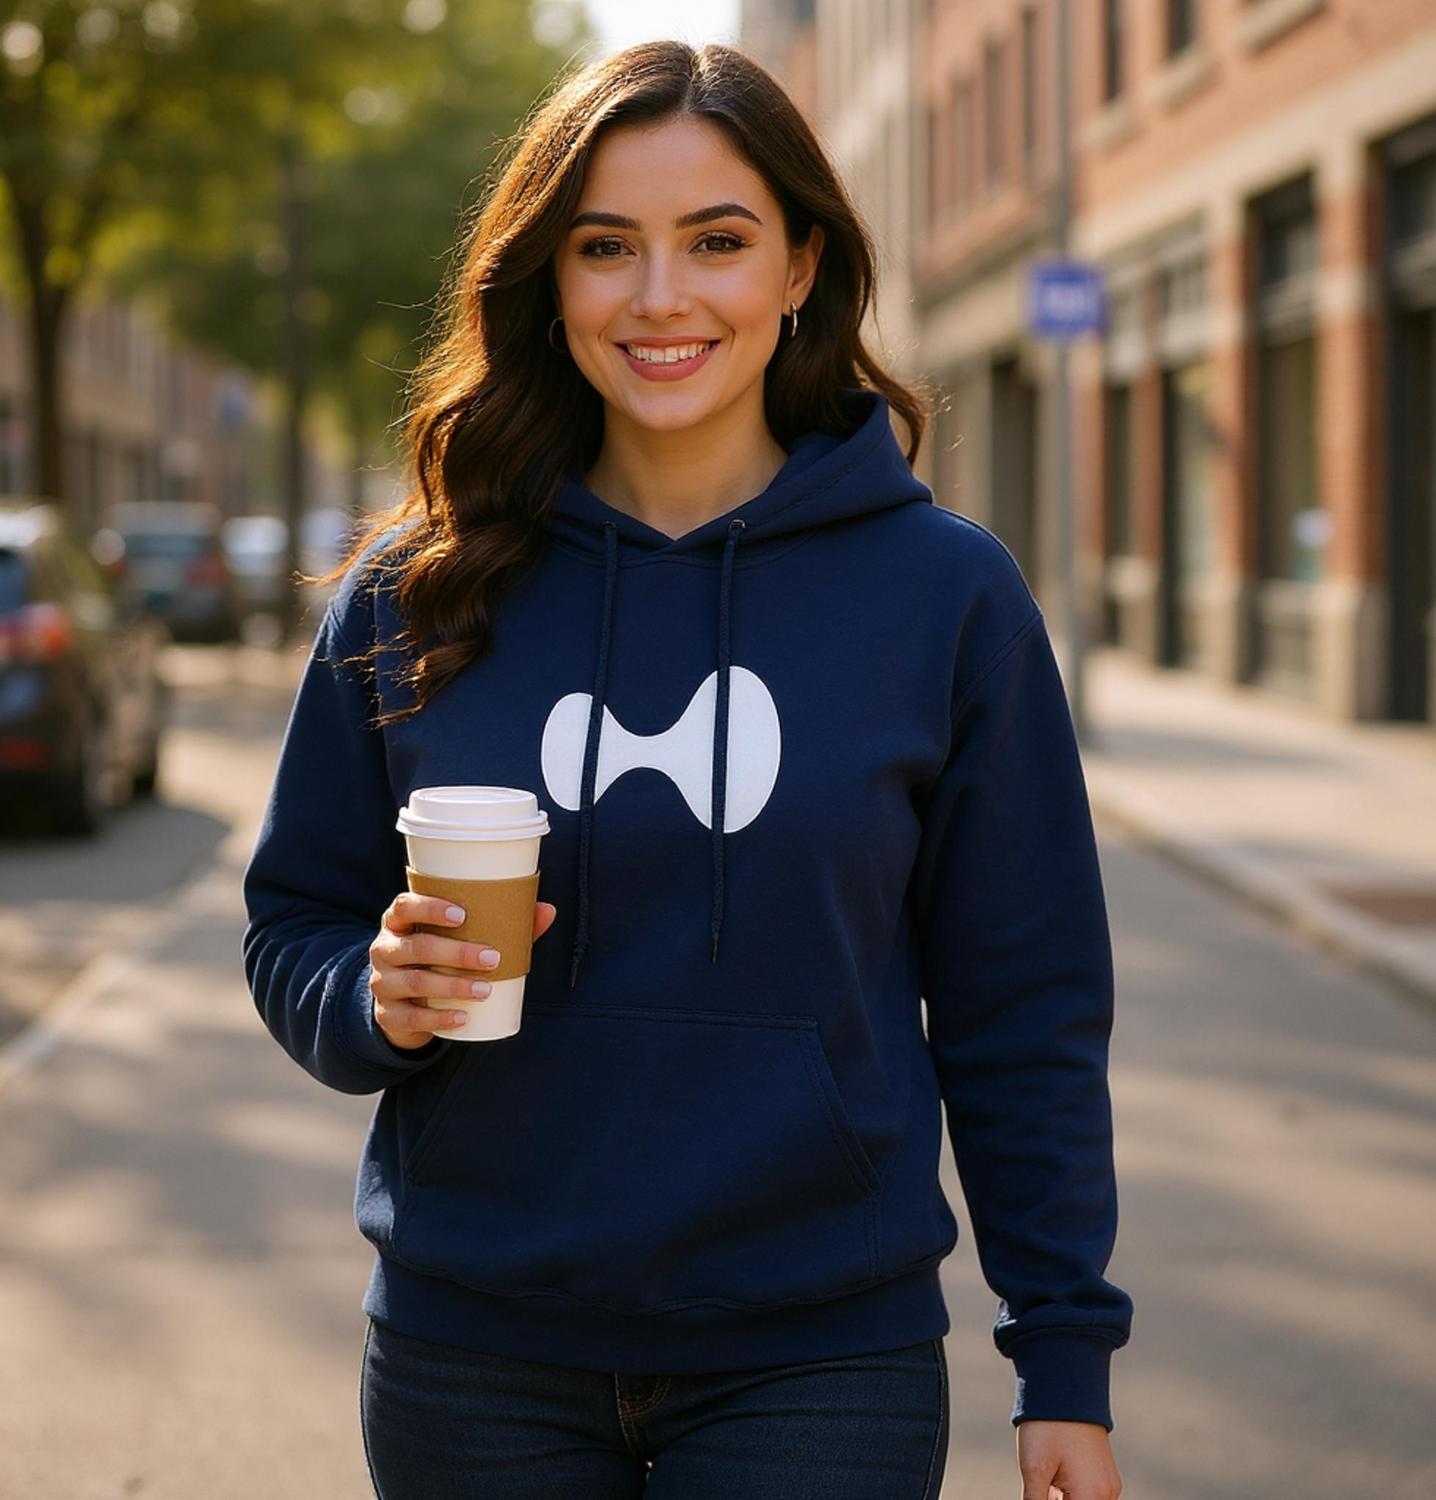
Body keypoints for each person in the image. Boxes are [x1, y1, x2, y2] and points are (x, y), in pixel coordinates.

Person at [241, 39, 1131, 1500]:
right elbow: (296, 926)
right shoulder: (421, 589)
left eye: (716, 241)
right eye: (607, 248)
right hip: (477, 1352)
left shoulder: (946, 599)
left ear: (800, 267)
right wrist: (373, 1001)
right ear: (553, 280)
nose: (661, 298)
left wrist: (1065, 1356)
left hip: (818, 1358)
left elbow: (1022, 1007)